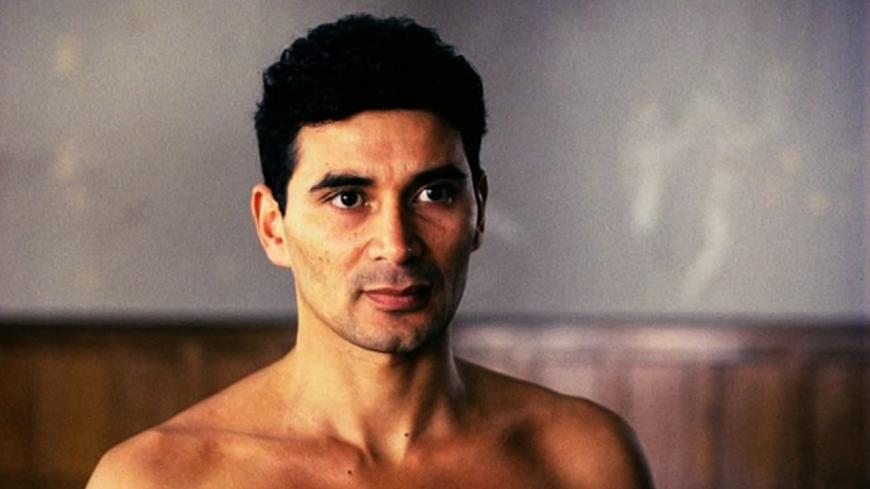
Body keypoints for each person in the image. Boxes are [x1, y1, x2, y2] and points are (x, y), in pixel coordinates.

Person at [86, 14, 654, 488]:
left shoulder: (583, 461)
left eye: (434, 193)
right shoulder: (159, 479)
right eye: (348, 198)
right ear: (273, 226)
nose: (397, 245)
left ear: (478, 209)